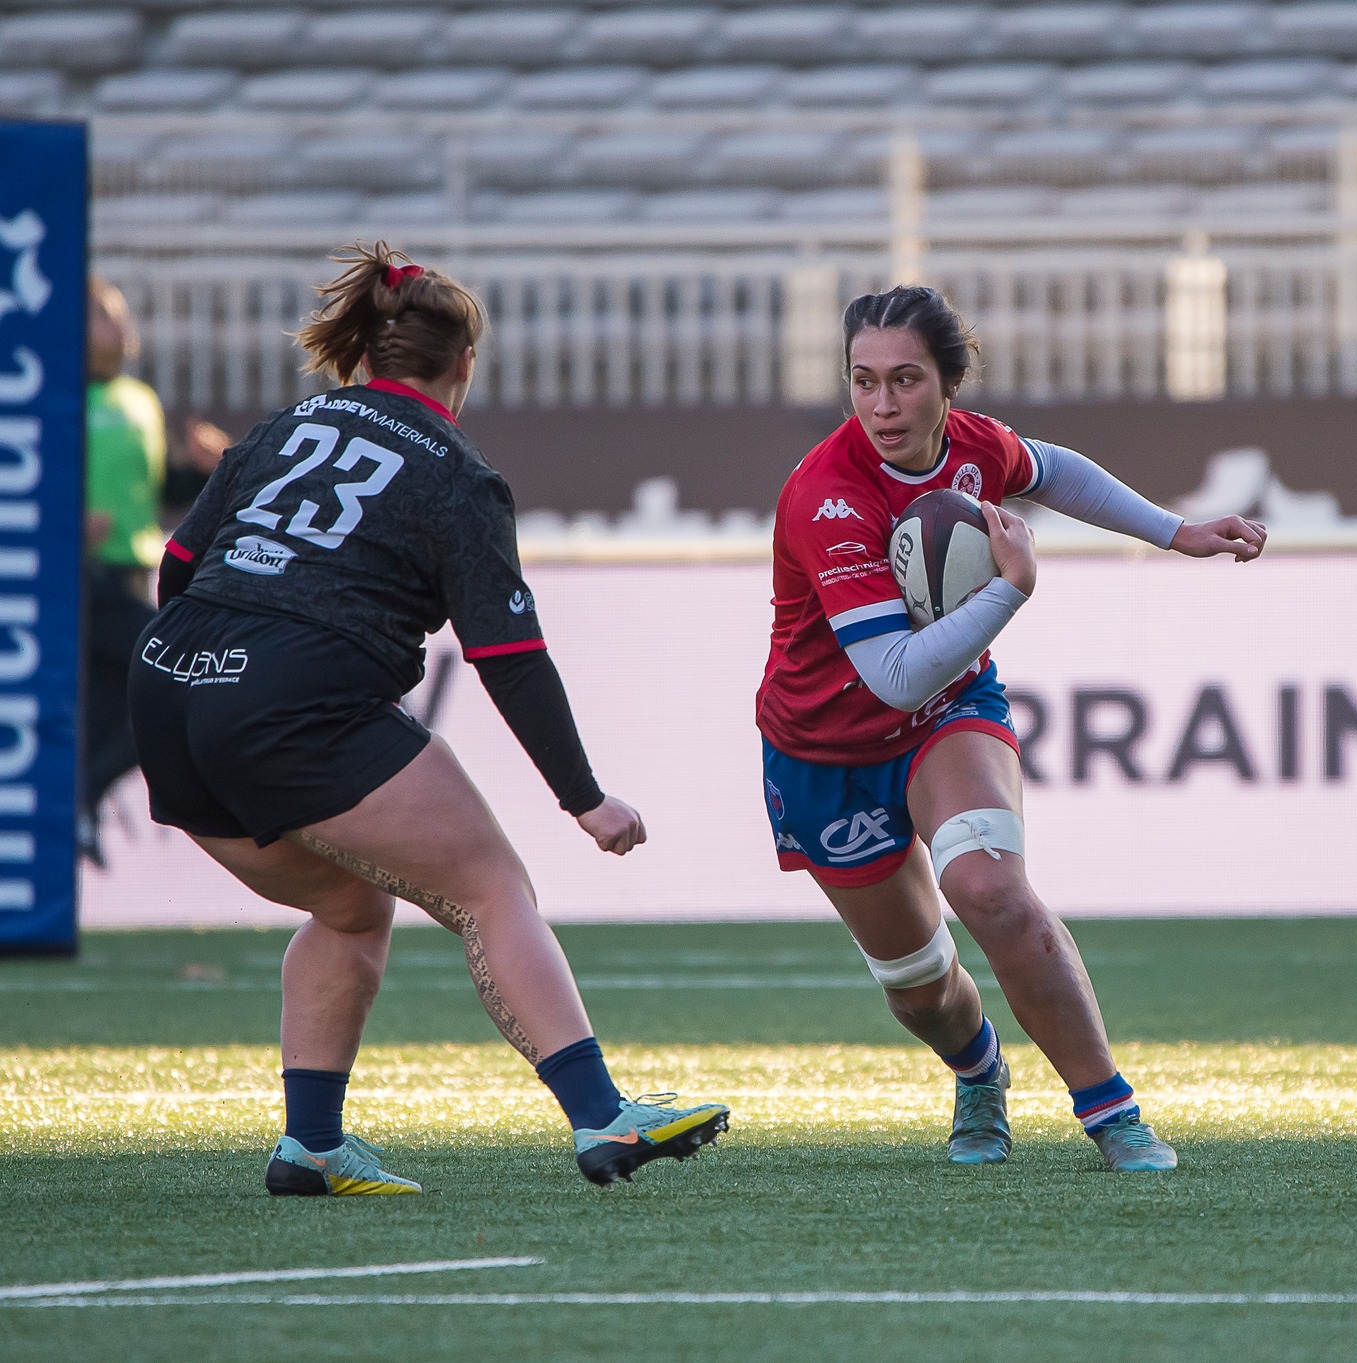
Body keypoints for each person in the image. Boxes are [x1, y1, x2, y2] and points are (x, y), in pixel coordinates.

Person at [137, 243, 727, 1194]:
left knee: (349, 902)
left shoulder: (280, 429)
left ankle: (312, 1145)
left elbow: (177, 566)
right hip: (293, 695)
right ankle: (602, 1117)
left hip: (166, 686)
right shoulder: (457, 471)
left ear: (367, 353)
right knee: (490, 887)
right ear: (464, 366)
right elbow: (508, 658)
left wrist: (218, 669)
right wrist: (585, 797)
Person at [758, 286, 1265, 1172]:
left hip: (946, 714)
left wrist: (1173, 529)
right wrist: (1009, 590)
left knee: (993, 892)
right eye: (863, 381)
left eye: (906, 380)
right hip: (823, 748)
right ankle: (980, 1069)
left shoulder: (973, 445)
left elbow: (1050, 468)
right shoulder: (827, 495)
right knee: (919, 988)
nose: (882, 405)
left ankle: (1113, 1113)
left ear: (950, 385)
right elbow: (889, 673)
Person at [80, 280, 167, 865]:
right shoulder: (57, 399)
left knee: (120, 712)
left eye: (120, 315)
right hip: (88, 579)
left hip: (137, 570)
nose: (120, 326)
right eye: (103, 317)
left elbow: (151, 492)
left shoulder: (141, 400)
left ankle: (78, 809)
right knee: (167, 683)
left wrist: (207, 469)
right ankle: (79, 798)